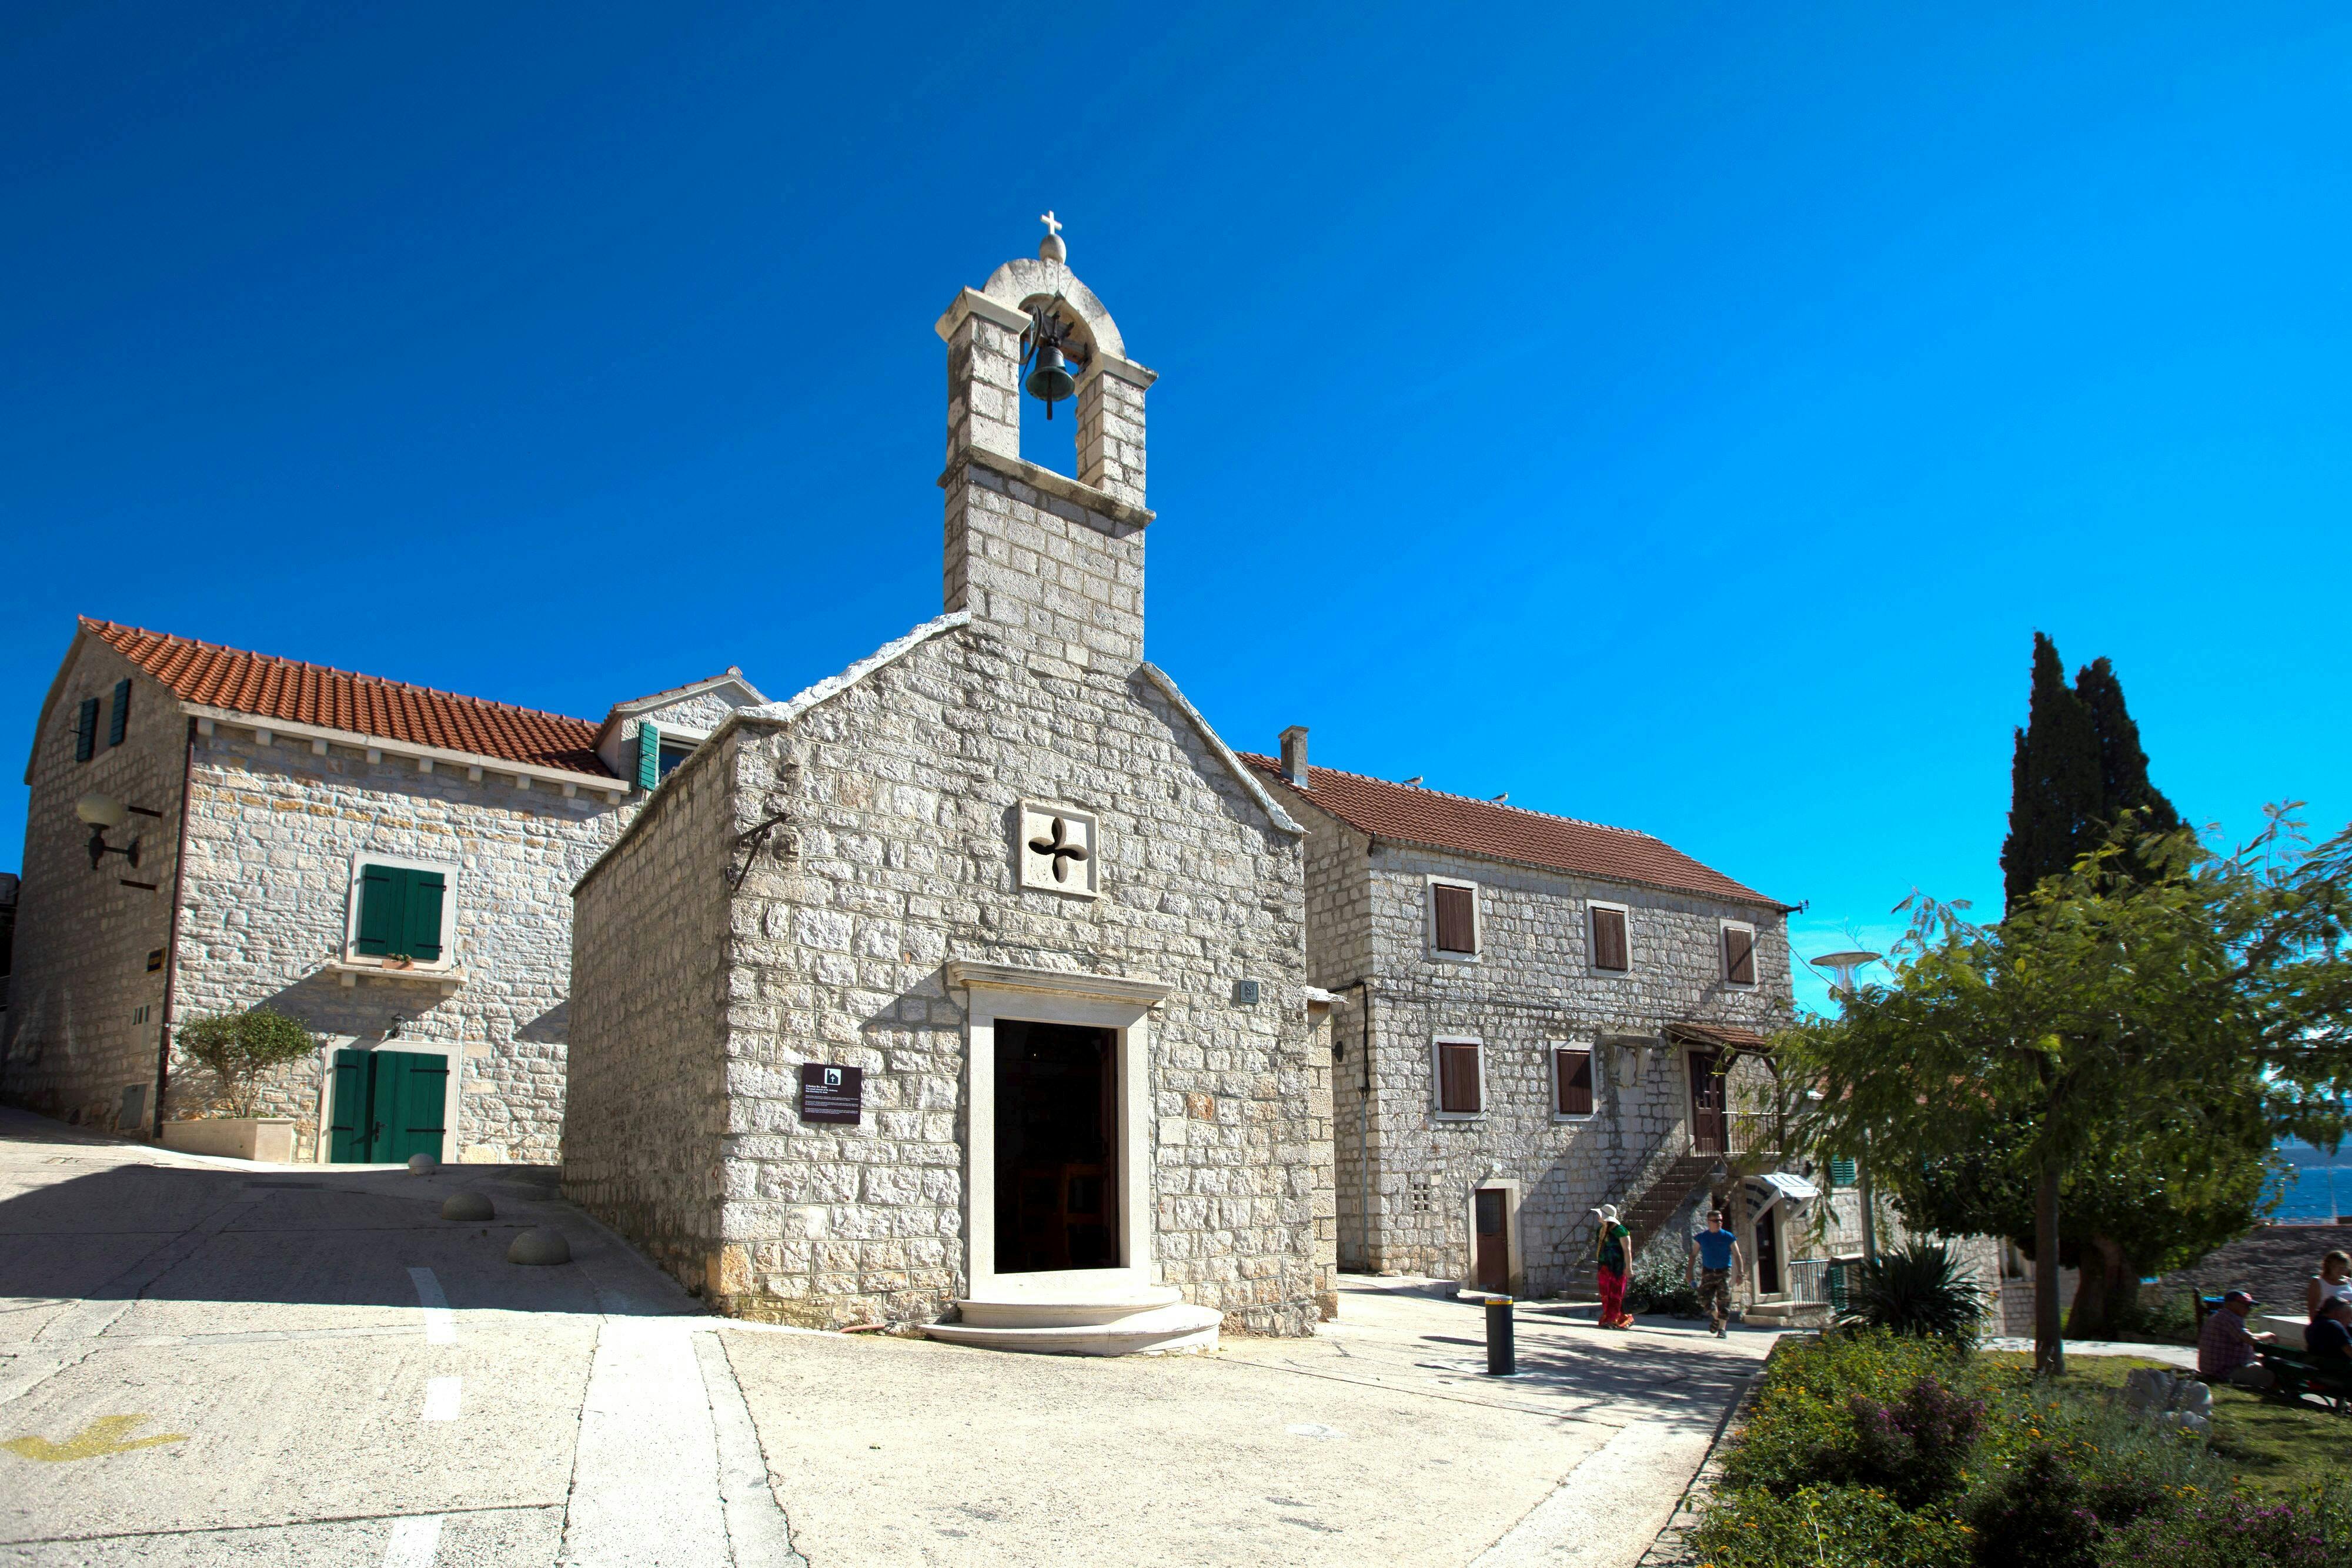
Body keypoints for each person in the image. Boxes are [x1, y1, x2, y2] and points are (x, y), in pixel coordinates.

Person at [2196, 1289, 2276, 1390]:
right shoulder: (2230, 1318)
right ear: (2230, 1304)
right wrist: (2268, 1335)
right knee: (2275, 1373)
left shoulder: (2219, 1316)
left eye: (2250, 1306)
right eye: (2245, 1305)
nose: (2249, 1309)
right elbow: (2251, 1339)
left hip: (2212, 1369)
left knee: (2264, 1362)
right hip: (2224, 1372)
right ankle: (2283, 1398)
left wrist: (2253, 1356)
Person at [1686, 1210, 1743, 1338]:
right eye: (1716, 1221)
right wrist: (1689, 1272)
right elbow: (1693, 1255)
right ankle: (1717, 1317)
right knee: (1703, 1298)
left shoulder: (1728, 1237)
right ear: (1709, 1222)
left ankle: (1722, 1329)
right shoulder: (1702, 1237)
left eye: (1720, 1220)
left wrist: (1741, 1273)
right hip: (1708, 1271)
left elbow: (1737, 1254)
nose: (1719, 1223)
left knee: (1725, 1300)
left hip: (1724, 1272)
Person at [1592, 1205, 1634, 1329]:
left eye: (1599, 1214)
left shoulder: (1621, 1231)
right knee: (1605, 1293)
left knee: (1616, 1294)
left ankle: (1612, 1320)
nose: (1598, 1217)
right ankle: (1619, 1317)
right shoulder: (1600, 1230)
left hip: (1618, 1267)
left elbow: (1627, 1251)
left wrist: (1629, 1268)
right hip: (1604, 1266)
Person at [2308, 1296, 2352, 1375]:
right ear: (2338, 1313)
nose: (2350, 1321)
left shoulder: (2311, 1327)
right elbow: (2350, 1351)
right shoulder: (2334, 1326)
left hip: (2318, 1376)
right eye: (2349, 1316)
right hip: (2338, 1378)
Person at [2305, 1249, 2352, 1323]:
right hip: (2333, 1325)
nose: (2342, 1270)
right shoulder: (2318, 1282)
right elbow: (2312, 1308)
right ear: (2329, 1266)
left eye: (2345, 1267)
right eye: (2339, 1267)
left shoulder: (2349, 1281)